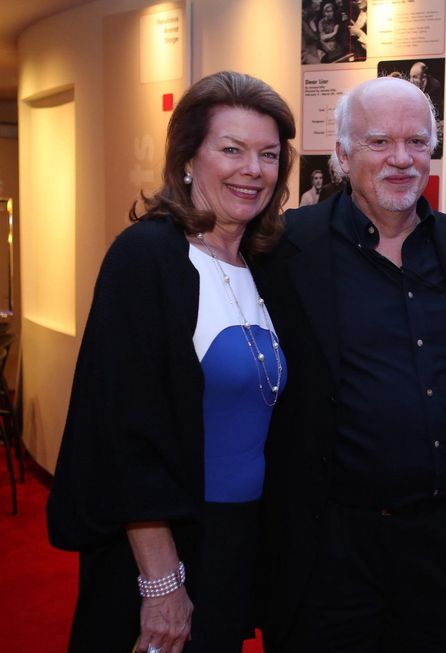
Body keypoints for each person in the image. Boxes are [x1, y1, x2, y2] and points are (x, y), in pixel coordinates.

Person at [46, 70, 296, 653]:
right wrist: (161, 582)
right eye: (230, 149)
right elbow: (125, 435)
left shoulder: (265, 265)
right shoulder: (148, 257)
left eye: (267, 154)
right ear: (188, 157)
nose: (252, 169)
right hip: (164, 549)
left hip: (234, 543)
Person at [254, 76, 446, 652]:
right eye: (378, 143)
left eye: (417, 142)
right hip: (328, 547)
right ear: (342, 155)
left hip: (440, 549)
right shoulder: (284, 249)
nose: (401, 159)